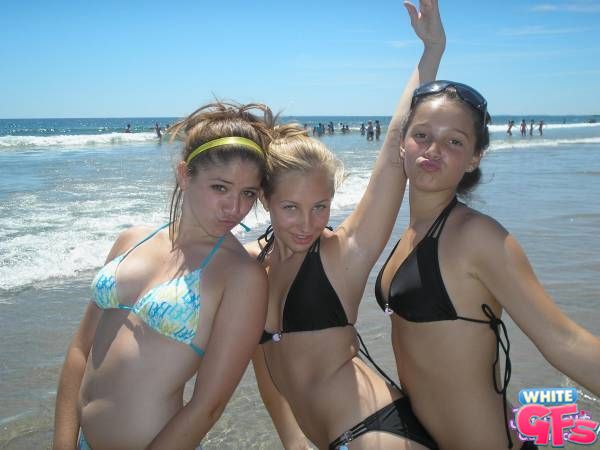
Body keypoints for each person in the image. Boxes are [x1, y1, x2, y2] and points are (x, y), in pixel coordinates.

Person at [249, 1, 445, 449]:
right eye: (291, 207)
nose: (308, 223)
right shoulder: (250, 266)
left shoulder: (342, 253)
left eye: (320, 206)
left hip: (374, 433)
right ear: (264, 199)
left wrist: (431, 51)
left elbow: (394, 151)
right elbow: (264, 365)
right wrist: (292, 442)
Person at [374, 80, 600, 449]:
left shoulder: (477, 237)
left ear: (474, 158)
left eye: (454, 141)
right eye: (422, 135)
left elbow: (565, 341)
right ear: (402, 143)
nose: (433, 149)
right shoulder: (411, 234)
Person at [53, 102, 274, 450]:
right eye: (220, 187)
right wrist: (63, 444)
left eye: (248, 193)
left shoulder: (241, 276)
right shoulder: (131, 239)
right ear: (185, 175)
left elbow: (208, 406)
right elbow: (80, 349)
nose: (235, 207)